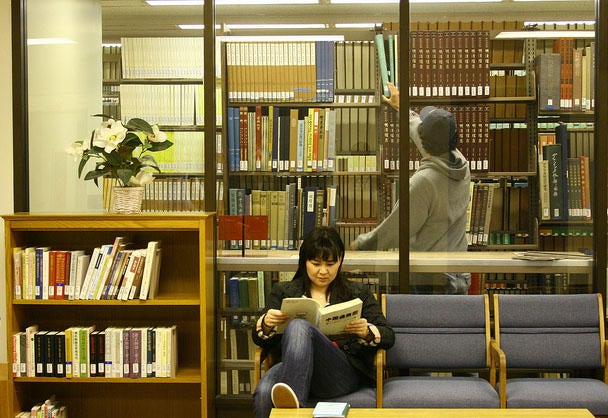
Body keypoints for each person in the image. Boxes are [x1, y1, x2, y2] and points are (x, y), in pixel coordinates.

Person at [252, 226, 395, 418]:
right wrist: (267, 324)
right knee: (263, 393)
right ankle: (295, 397)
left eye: (330, 264)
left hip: (339, 374)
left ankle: (295, 402)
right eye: (316, 263)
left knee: (299, 326)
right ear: (304, 262)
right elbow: (259, 338)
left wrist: (367, 332)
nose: (323, 271)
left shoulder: (357, 292)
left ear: (340, 260)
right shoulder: (284, 291)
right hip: (293, 366)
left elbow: (388, 335)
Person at [351, 83, 471, 294]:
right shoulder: (461, 163)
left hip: (431, 280)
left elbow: (395, 230)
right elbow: (420, 132)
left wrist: (360, 246)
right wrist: (402, 109)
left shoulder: (423, 183)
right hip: (459, 273)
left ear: (424, 141)